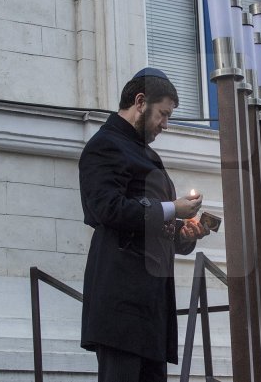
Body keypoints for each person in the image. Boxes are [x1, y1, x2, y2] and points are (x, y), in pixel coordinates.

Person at [79, 67, 209, 381]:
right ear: (140, 102)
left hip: (150, 308)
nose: (165, 124)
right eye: (163, 114)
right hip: (121, 303)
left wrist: (185, 232)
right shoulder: (105, 145)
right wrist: (172, 208)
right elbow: (105, 209)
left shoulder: (144, 152)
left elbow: (154, 225)